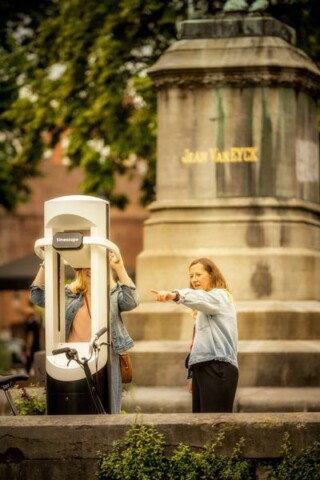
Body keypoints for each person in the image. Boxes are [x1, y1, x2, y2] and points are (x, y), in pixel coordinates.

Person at [30, 250, 139, 413]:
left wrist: (119, 267)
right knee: (73, 406)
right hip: (73, 359)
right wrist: (47, 262)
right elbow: (36, 295)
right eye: (86, 265)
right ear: (79, 270)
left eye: (95, 264)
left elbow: (133, 301)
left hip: (106, 358)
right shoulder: (67, 293)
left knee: (107, 409)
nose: (90, 268)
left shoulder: (113, 293)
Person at [151, 257, 238, 413]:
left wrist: (174, 295)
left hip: (218, 366)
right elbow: (197, 343)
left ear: (212, 274)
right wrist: (193, 373)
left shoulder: (220, 297)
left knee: (215, 428)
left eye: (198, 274)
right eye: (191, 276)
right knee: (201, 426)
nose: (194, 280)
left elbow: (199, 298)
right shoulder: (202, 309)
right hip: (203, 366)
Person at [24, 301, 42, 374]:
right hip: (37, 346)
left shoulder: (30, 323)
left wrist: (28, 348)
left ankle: (28, 380)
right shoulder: (36, 322)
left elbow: (30, 336)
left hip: (32, 347)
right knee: (36, 366)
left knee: (28, 366)